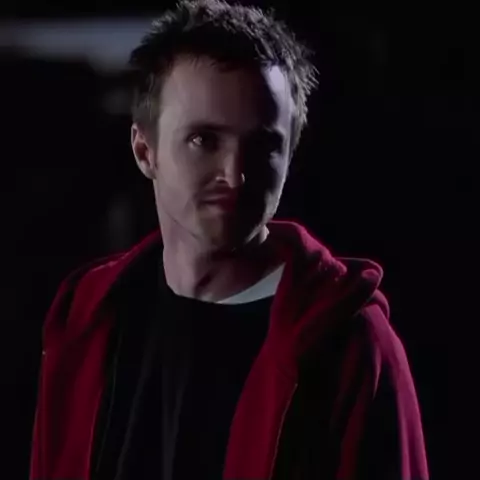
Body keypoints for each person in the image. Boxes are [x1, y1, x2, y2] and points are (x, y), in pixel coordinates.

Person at [29, 1, 429, 479]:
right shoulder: (89, 316)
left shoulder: (350, 346)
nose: (235, 175)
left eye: (264, 145)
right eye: (204, 140)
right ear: (144, 150)